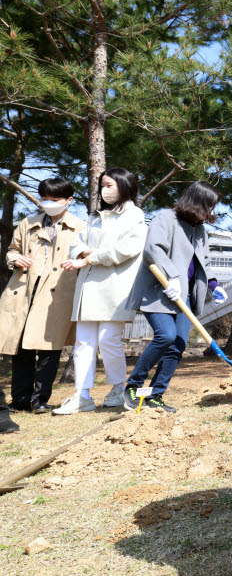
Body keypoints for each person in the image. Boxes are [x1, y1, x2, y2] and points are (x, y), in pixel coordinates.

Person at [123, 181, 227, 413]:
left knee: (177, 345)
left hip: (184, 296)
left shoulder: (200, 229)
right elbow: (153, 249)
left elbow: (204, 261)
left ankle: (155, 395)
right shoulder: (166, 218)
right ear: (197, 201)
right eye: (209, 206)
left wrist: (213, 284)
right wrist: (172, 276)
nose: (211, 212)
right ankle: (133, 386)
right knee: (166, 336)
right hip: (160, 291)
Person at [53, 168, 147, 415]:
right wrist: (84, 255)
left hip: (114, 286)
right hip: (87, 286)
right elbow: (77, 244)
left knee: (108, 339)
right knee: (83, 342)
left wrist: (89, 259)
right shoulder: (95, 216)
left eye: (110, 186)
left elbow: (127, 249)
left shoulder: (134, 214)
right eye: (102, 186)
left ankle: (117, 389)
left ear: (124, 186)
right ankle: (81, 395)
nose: (104, 191)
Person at [0, 177, 84, 417]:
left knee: (50, 348)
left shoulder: (80, 226)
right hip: (24, 290)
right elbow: (12, 250)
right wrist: (14, 259)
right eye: (44, 199)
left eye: (54, 199)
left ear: (69, 200)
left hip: (58, 292)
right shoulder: (28, 223)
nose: (48, 204)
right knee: (21, 348)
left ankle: (40, 400)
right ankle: (20, 400)